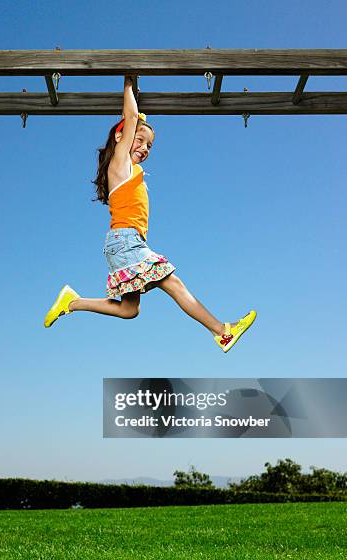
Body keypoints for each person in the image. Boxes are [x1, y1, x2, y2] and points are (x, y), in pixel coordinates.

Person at [44, 77, 256, 353]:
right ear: (121, 137)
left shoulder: (129, 170)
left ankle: (72, 302)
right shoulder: (119, 162)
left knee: (130, 310)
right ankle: (222, 332)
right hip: (125, 242)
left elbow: (133, 121)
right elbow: (130, 116)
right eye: (139, 140)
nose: (144, 148)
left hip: (126, 243)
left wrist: (135, 115)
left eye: (149, 146)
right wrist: (129, 83)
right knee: (174, 283)